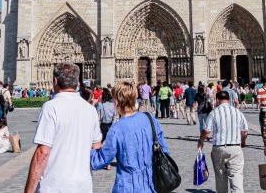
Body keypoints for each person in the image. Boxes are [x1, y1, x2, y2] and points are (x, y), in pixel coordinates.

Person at [24, 63, 102, 193]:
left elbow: (42, 153)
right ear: (78, 83)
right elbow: (97, 148)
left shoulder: (51, 107)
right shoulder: (90, 110)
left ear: (55, 81)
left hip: (54, 186)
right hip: (83, 186)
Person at [90, 81, 171, 192]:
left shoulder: (116, 129)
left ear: (117, 102)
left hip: (128, 186)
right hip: (152, 185)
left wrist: (84, 150)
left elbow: (100, 161)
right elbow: (165, 152)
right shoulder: (150, 119)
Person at [199, 89, 249, 193]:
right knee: (236, 177)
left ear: (217, 100)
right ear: (229, 99)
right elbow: (244, 131)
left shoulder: (214, 113)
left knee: (220, 176)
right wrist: (243, 141)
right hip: (235, 147)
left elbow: (206, 131)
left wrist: (201, 141)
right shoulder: (237, 112)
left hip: (219, 148)